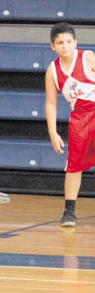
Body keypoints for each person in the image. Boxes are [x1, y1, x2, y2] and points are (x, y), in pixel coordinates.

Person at [45, 22, 95, 227]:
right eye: (59, 43)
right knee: (73, 166)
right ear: (53, 46)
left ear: (75, 42)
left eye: (68, 41)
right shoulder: (53, 70)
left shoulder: (87, 58)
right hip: (80, 118)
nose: (64, 46)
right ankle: (69, 211)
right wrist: (52, 131)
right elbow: (50, 103)